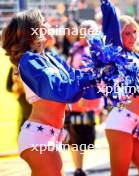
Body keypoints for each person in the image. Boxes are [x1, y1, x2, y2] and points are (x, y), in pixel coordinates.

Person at [2, 9, 100, 176]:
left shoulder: (50, 58)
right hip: (37, 137)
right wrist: (90, 79)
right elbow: (59, 89)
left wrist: (102, 76)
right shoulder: (28, 60)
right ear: (33, 31)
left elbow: (76, 77)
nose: (49, 25)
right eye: (44, 22)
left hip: (51, 136)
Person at [101, 0, 139, 175]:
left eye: (135, 32)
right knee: (120, 173)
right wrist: (106, 3)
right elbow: (110, 26)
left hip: (138, 123)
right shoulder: (117, 54)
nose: (132, 37)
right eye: (126, 33)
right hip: (121, 121)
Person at [65, 20, 102, 176]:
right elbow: (73, 75)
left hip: (91, 102)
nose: (89, 33)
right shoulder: (78, 51)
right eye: (87, 30)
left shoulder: (97, 50)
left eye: (92, 30)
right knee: (77, 136)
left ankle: (79, 167)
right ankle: (78, 169)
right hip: (80, 101)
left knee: (85, 137)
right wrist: (79, 95)